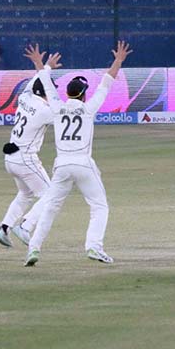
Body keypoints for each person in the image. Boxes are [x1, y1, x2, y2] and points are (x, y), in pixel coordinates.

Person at [24, 41, 132, 266]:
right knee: (99, 206)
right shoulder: (89, 108)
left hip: (61, 165)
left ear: (69, 94)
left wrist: (40, 63)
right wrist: (118, 60)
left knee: (51, 208)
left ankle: (33, 249)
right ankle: (94, 246)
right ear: (83, 95)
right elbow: (106, 82)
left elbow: (45, 82)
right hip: (83, 164)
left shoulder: (56, 106)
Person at [0, 44, 58, 248]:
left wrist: (45, 66)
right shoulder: (45, 111)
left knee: (25, 194)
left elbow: (34, 82)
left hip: (10, 158)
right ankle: (26, 226)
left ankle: (4, 229)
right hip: (25, 159)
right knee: (51, 194)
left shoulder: (25, 97)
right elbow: (62, 112)